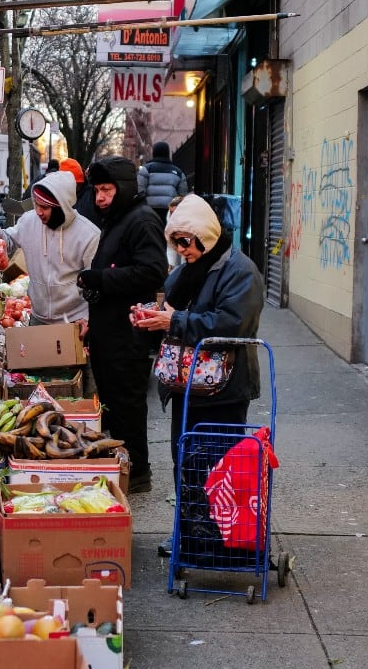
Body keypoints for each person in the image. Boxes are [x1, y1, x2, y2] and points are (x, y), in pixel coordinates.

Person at [132, 194, 264, 556]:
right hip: (189, 385)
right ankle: (190, 533)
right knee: (186, 460)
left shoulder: (240, 271)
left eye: (185, 241)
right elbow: (171, 309)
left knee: (220, 464)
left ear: (205, 235)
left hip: (225, 387)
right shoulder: (187, 270)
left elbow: (232, 324)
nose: (181, 249)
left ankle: (224, 538)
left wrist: (172, 320)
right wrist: (149, 316)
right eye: (175, 242)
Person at [77, 156, 167, 494]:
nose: (100, 197)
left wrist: (101, 278)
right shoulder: (118, 218)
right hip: (109, 330)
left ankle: (137, 471)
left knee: (127, 404)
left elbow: (153, 271)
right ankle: (124, 466)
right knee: (114, 404)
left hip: (127, 334)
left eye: (107, 189)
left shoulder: (141, 220)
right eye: (97, 190)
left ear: (124, 188)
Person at [0, 171, 99, 325]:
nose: (38, 211)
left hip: (74, 320)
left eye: (44, 207)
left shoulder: (89, 234)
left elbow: (96, 284)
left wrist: (88, 319)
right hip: (38, 317)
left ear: (61, 207)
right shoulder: (29, 221)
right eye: (36, 204)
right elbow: (10, 241)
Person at [137, 141, 188, 223]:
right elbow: (182, 194)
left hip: (150, 210)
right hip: (169, 210)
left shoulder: (147, 169)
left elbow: (140, 190)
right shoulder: (178, 172)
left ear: (154, 153)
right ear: (167, 153)